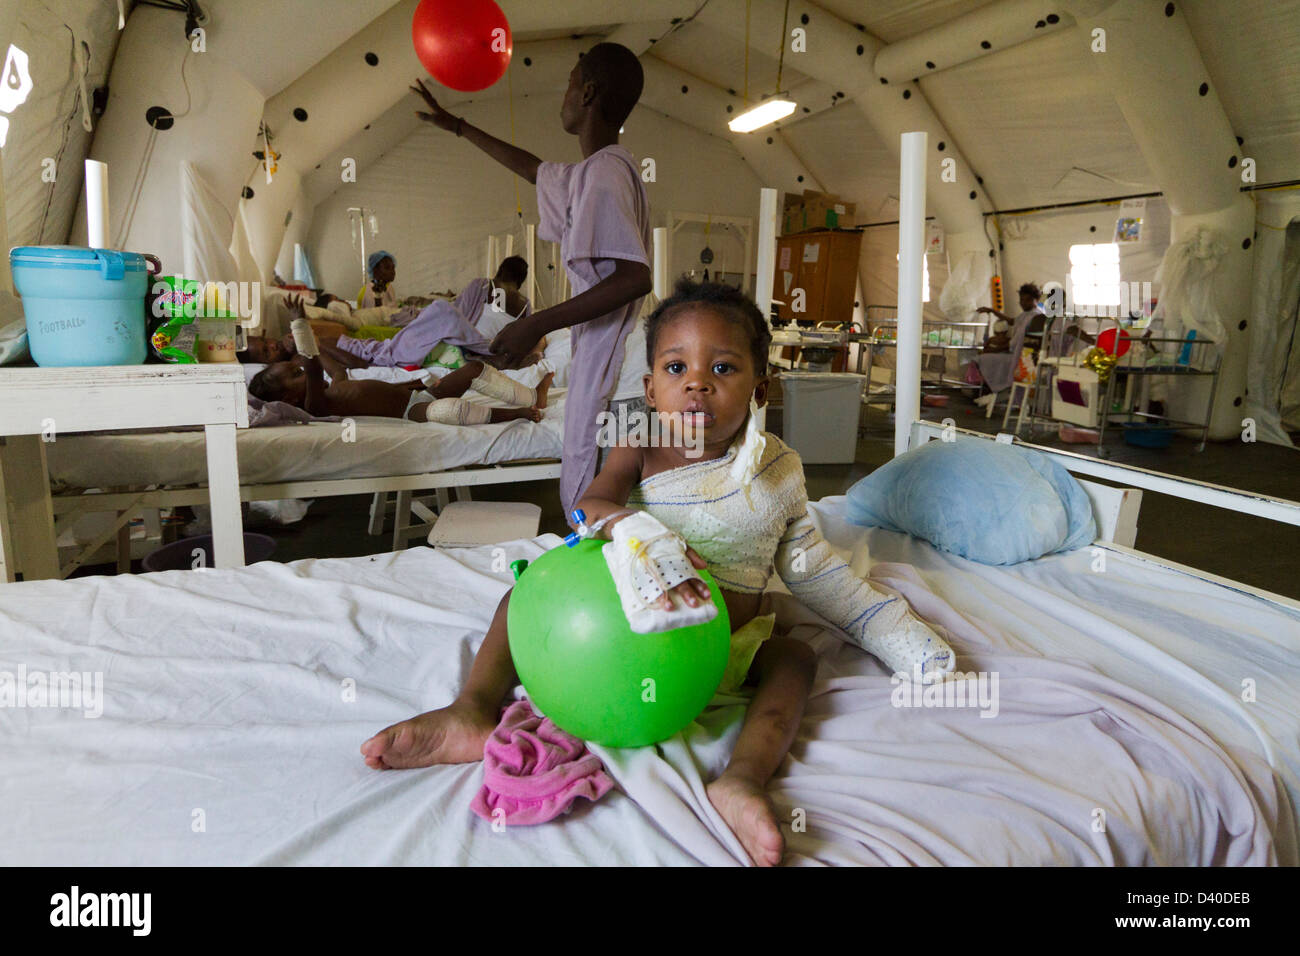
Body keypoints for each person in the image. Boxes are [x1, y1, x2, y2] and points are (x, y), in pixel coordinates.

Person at [360, 281, 956, 867]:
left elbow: (812, 570)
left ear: (760, 387)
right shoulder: (638, 444)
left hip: (719, 653)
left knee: (795, 659)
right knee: (522, 594)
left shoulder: (776, 471)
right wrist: (636, 530)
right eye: (676, 368)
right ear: (650, 390)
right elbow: (586, 509)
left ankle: (742, 779)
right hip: (623, 631)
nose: (697, 382)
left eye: (723, 369)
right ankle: (472, 707)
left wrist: (890, 628)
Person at [411, 41, 653, 515]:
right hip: (614, 375)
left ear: (587, 93)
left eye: (568, 84)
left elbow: (634, 277)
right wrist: (458, 127)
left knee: (606, 525)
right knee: (605, 526)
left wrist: (536, 323)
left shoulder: (604, 175)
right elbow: (535, 170)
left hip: (621, 387)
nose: (561, 97)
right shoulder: (594, 173)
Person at [248, 344, 550, 425]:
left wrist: (310, 343)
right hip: (413, 413)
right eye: (295, 373)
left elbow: (334, 369)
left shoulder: (331, 389)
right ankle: (517, 413)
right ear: (290, 396)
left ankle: (532, 395)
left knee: (472, 368)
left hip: (418, 395)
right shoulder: (318, 405)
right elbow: (314, 369)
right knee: (448, 410)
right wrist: (300, 332)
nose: (302, 368)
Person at [456, 256, 533, 343]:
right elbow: (523, 336)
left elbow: (458, 313)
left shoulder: (481, 285)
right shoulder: (526, 306)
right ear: (521, 279)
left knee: (441, 306)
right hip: (494, 352)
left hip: (467, 343)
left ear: (501, 270)